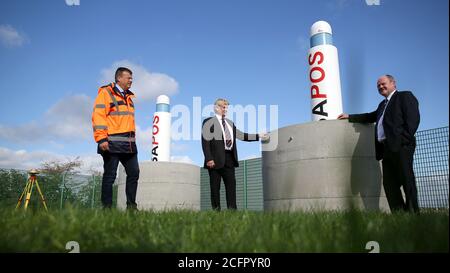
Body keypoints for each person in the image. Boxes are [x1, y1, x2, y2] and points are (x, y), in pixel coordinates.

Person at [338, 74, 420, 213]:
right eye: (378, 86)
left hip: (401, 146)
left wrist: (402, 141)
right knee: (389, 184)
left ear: (393, 83)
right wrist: (350, 117)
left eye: (383, 83)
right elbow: (370, 116)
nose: (380, 87)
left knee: (407, 179)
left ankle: (413, 214)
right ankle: (399, 215)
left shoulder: (405, 96)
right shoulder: (382, 105)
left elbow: (413, 120)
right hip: (385, 149)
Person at [201, 98, 269, 211]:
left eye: (226, 107)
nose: (225, 109)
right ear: (216, 107)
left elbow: (241, 135)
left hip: (229, 158)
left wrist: (258, 136)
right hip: (214, 159)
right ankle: (216, 211)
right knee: (215, 187)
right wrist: (209, 158)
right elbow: (205, 141)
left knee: (231, 186)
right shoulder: (208, 122)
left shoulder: (230, 123)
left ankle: (232, 211)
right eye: (223, 107)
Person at [92, 67, 139, 210]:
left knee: (134, 173)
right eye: (128, 77)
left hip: (129, 144)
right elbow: (98, 116)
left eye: (131, 78)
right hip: (111, 142)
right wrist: (101, 139)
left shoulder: (129, 97)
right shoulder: (106, 93)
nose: (131, 80)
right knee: (110, 176)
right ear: (119, 78)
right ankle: (107, 209)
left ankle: (131, 208)